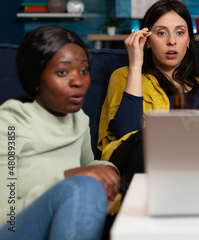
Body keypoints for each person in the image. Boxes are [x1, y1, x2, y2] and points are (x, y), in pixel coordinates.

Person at [0, 26, 120, 240]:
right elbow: (4, 215)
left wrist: (106, 169)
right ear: (35, 77)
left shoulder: (79, 119)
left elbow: (86, 164)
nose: (78, 81)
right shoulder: (10, 123)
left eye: (83, 70)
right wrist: (66, 179)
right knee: (82, 187)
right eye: (62, 72)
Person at [98, 0, 199, 191]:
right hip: (144, 167)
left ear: (189, 41)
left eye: (180, 33)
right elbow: (129, 136)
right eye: (161, 33)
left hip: (193, 168)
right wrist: (135, 65)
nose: (172, 41)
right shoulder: (123, 75)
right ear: (147, 41)